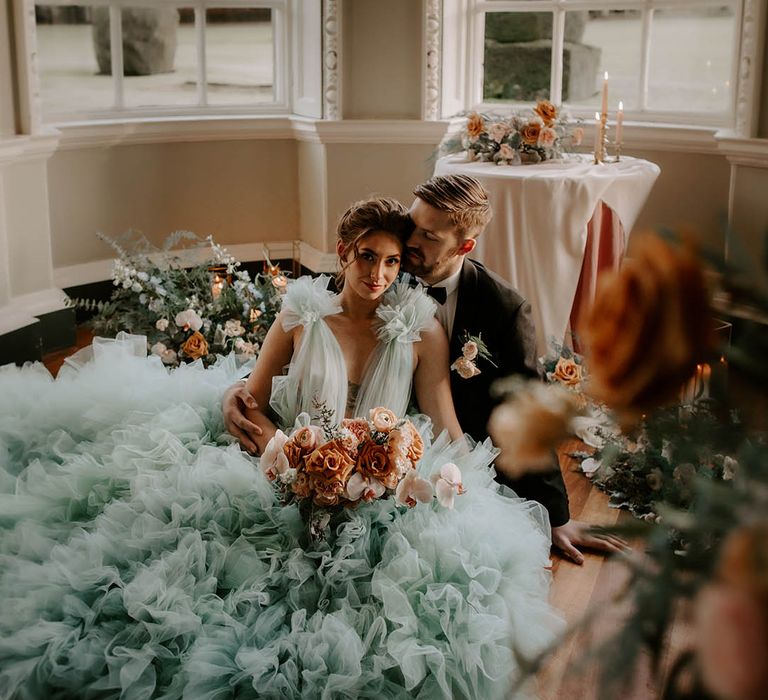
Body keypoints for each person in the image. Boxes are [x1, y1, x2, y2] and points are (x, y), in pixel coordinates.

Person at [0, 196, 560, 698]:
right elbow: (253, 398)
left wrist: (471, 482)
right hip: (284, 465)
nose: (379, 273)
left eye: (392, 261)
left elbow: (443, 416)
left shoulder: (422, 328)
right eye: (367, 256)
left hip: (377, 478)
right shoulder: (303, 314)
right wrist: (291, 454)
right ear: (342, 252)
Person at [226, 177, 626, 564]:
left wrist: (555, 515)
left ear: (464, 246)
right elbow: (321, 328)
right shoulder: (378, 265)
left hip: (412, 456)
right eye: (412, 229)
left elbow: (525, 412)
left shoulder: (499, 309)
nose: (410, 243)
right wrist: (248, 393)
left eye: (427, 238)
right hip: (304, 462)